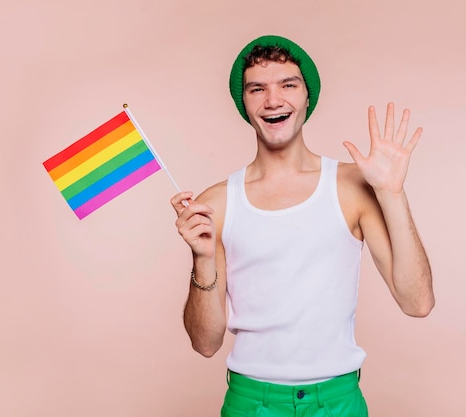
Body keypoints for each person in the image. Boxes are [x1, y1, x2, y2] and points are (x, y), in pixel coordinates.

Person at [170, 34, 434, 417]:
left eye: (287, 85)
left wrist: (392, 192)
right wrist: (203, 257)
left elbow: (418, 302)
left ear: (307, 97)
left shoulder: (353, 186)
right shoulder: (215, 204)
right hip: (250, 401)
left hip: (338, 400)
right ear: (244, 104)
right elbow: (205, 343)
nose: (273, 100)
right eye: (257, 88)